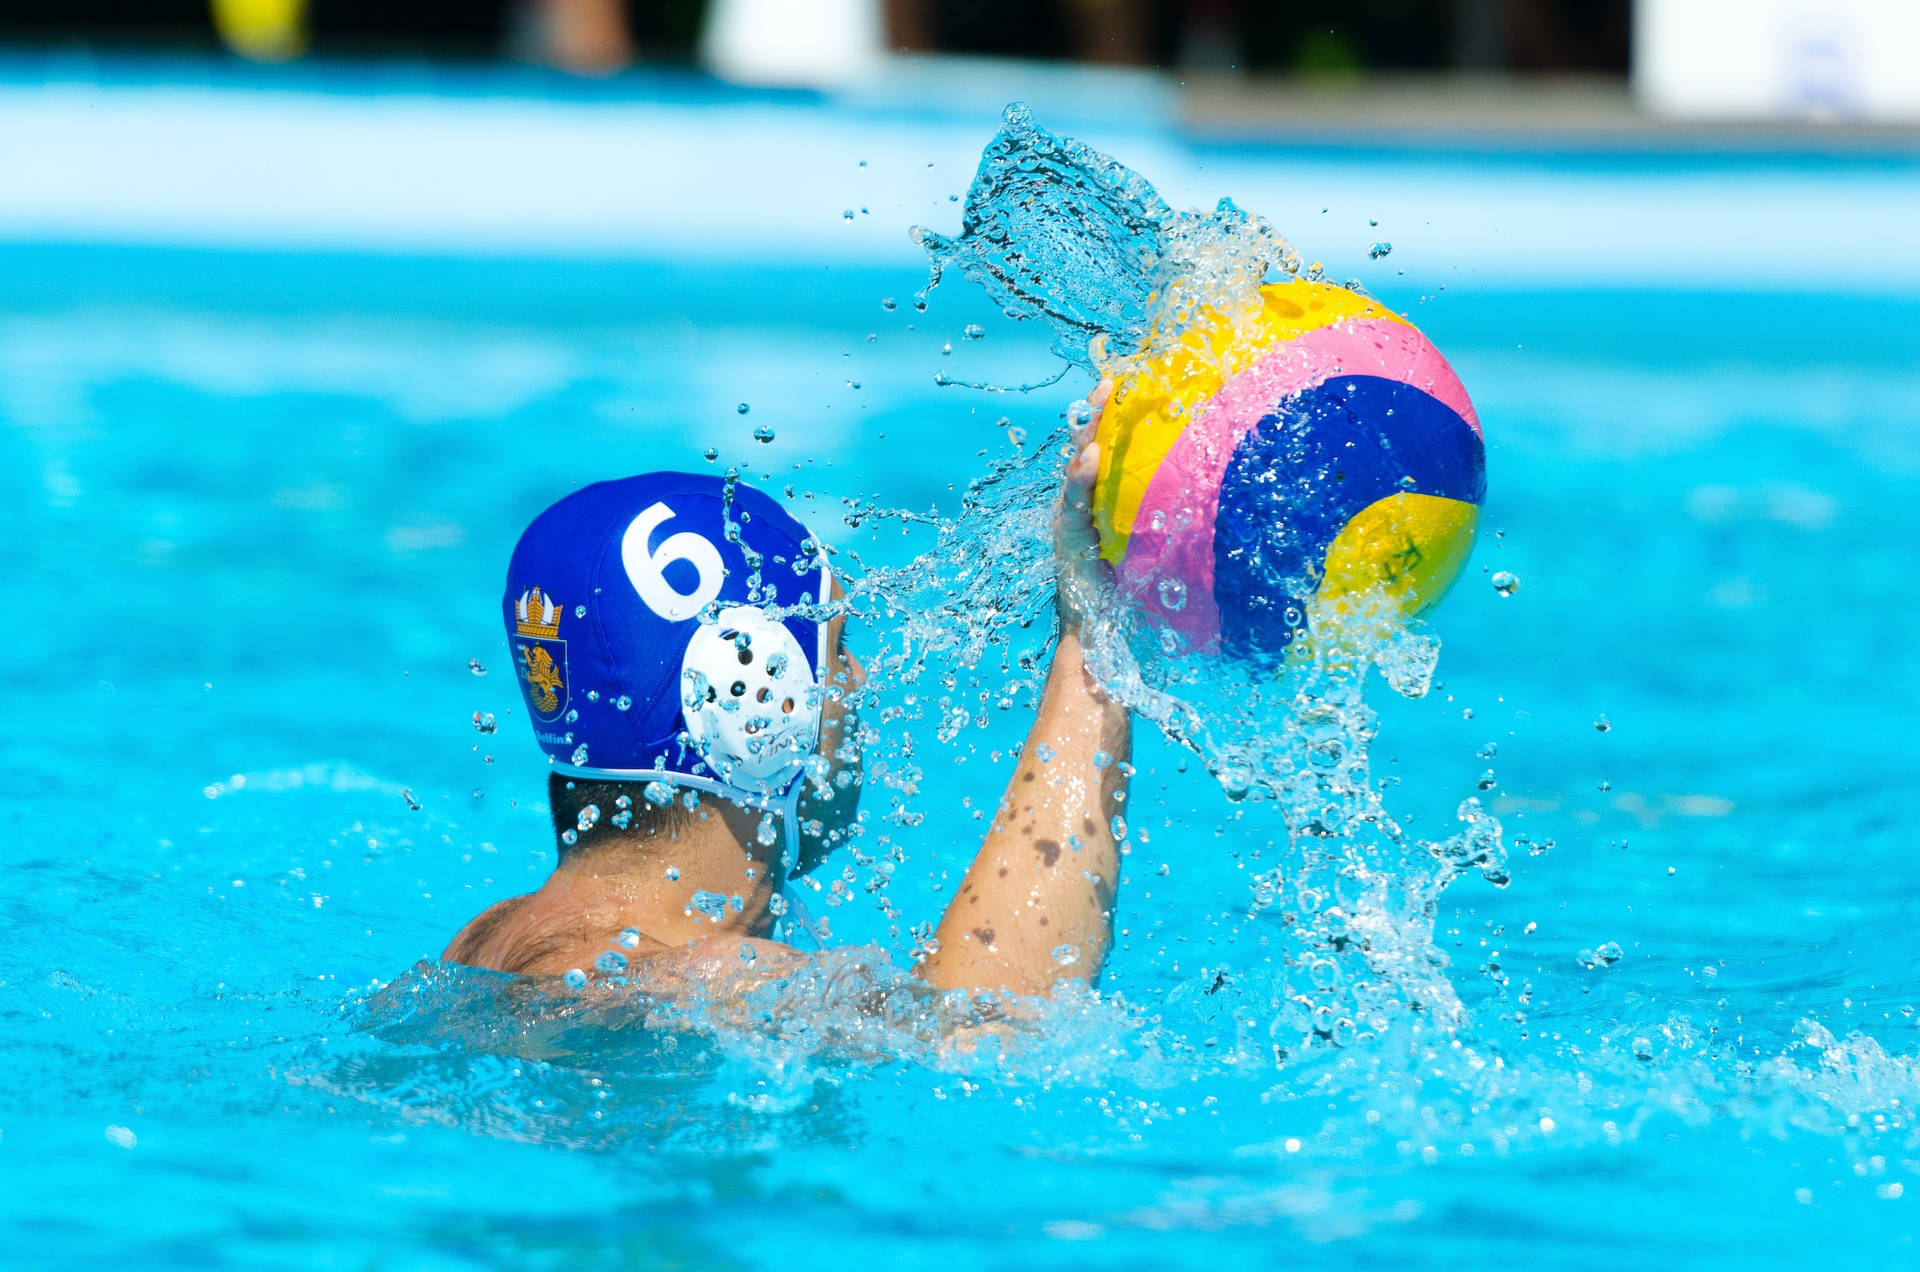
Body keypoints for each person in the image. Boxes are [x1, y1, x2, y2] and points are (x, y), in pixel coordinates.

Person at [445, 389, 1128, 1000]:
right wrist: (1094, 630)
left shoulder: (490, 942)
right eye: (838, 650)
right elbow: (987, 1026)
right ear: (751, 699)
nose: (854, 682)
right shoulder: (708, 984)